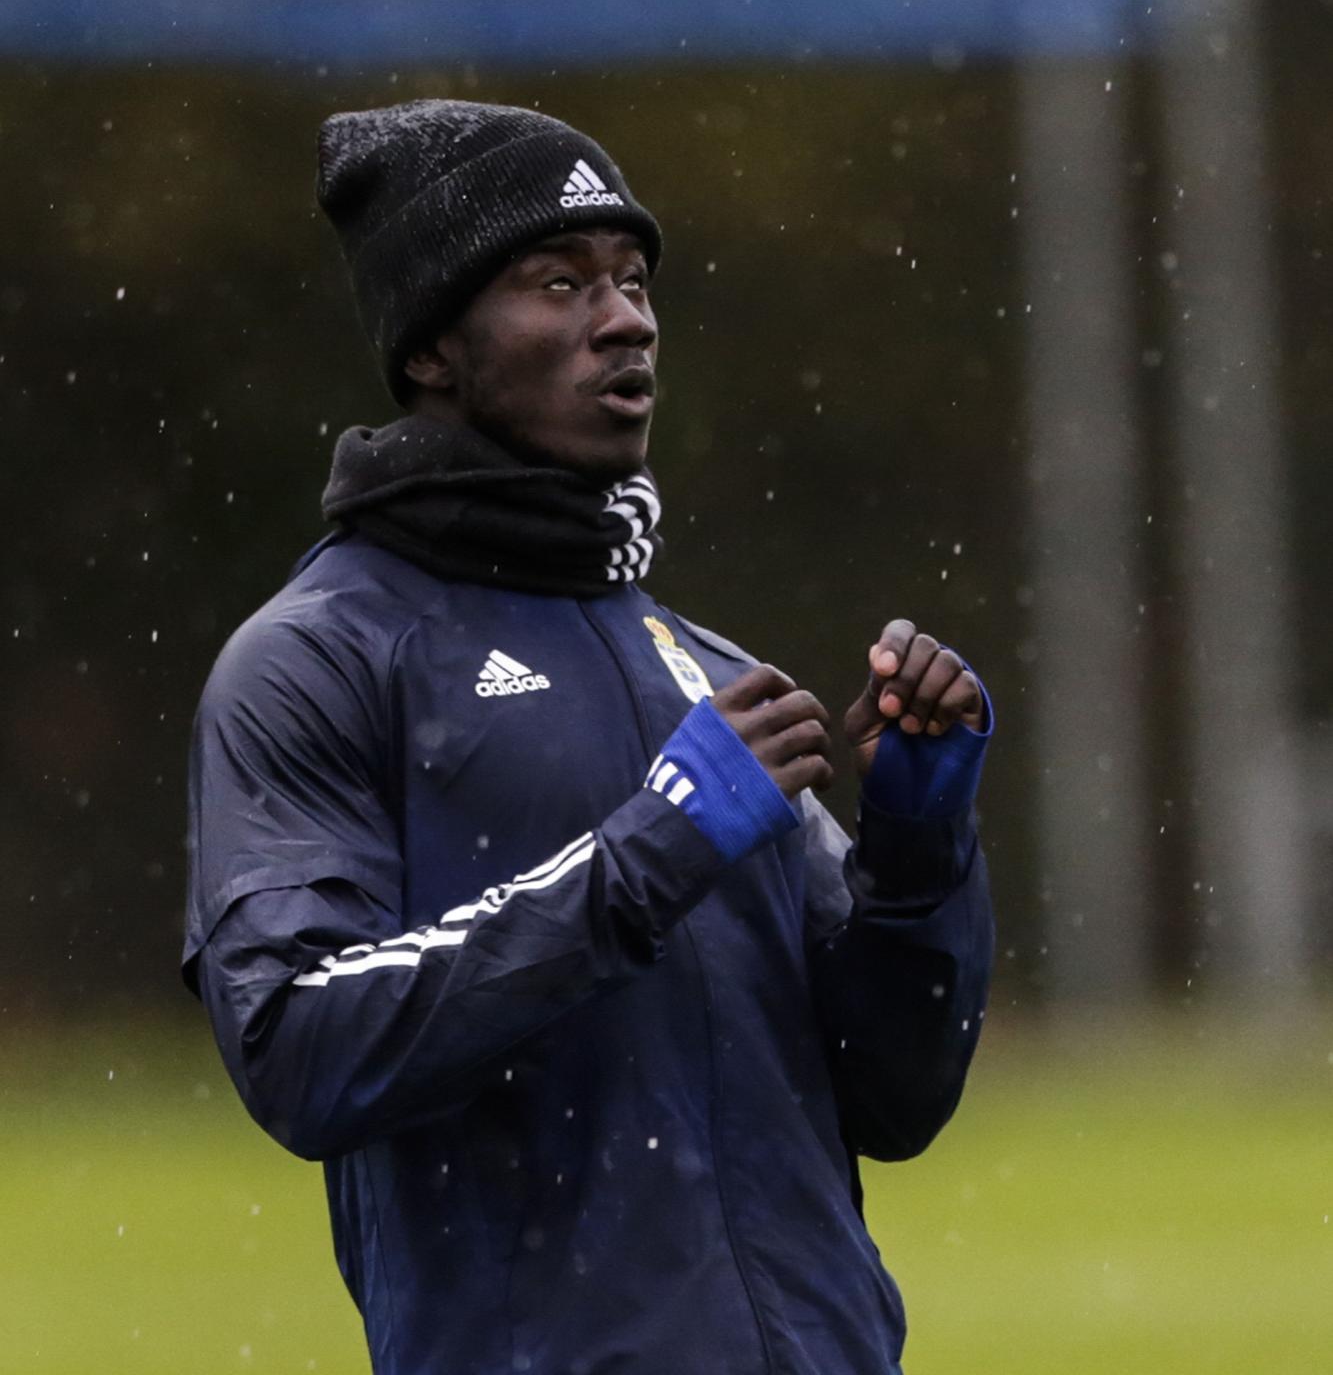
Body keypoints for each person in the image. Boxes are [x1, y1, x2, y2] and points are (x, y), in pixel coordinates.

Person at [183, 98, 994, 1375]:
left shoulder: (708, 668)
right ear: (435, 348)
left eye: (631, 279)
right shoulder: (318, 659)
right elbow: (301, 1046)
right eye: (558, 283)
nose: (625, 317)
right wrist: (652, 849)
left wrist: (920, 847)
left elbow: (893, 1095)